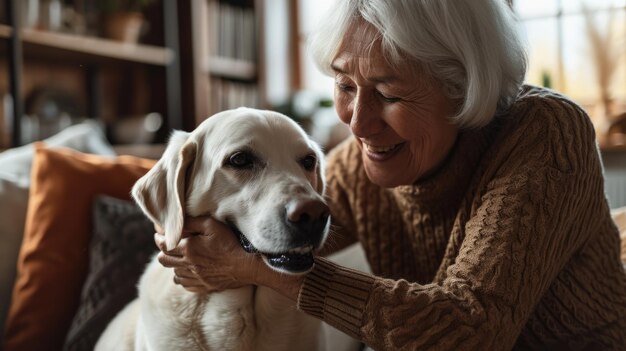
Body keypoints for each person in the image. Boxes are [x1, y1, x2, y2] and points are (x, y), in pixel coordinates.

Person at [156, 0, 626, 349]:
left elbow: (470, 329)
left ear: (461, 88)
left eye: (389, 93)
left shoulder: (544, 134)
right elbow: (259, 228)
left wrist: (255, 268)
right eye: (344, 85)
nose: (357, 123)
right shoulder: (354, 170)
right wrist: (192, 235)